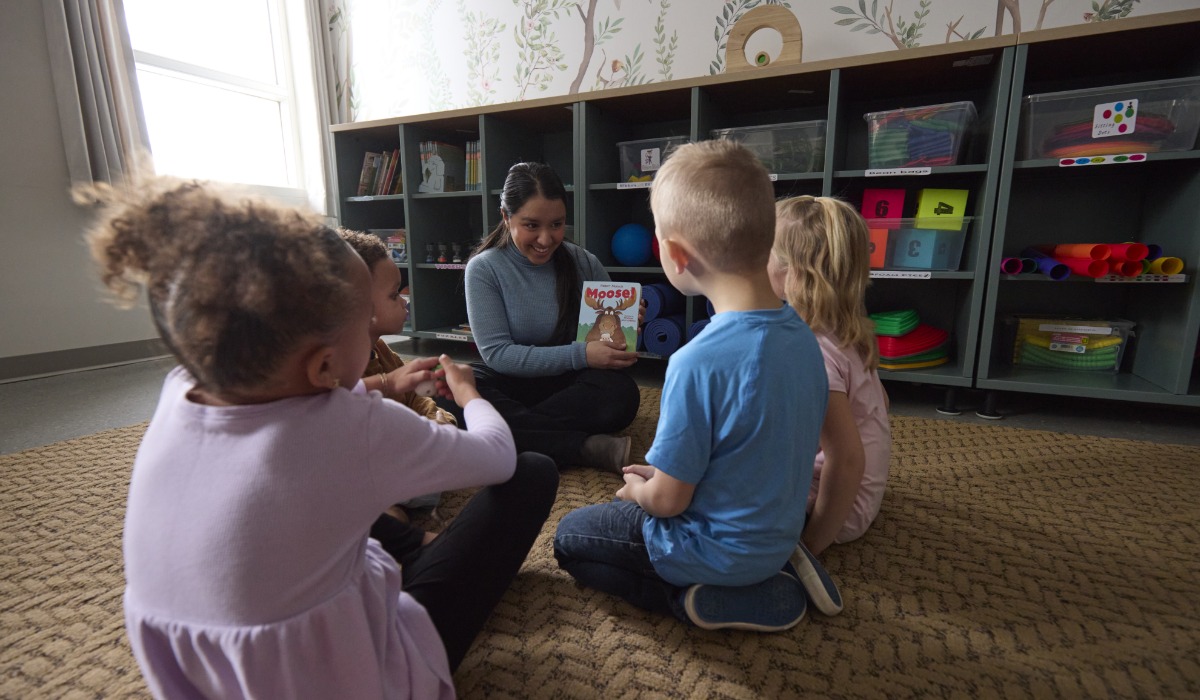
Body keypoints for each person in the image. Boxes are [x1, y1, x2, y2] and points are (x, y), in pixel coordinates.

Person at [91, 174, 558, 698]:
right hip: (341, 675)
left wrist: (380, 383)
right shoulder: (350, 425)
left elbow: (291, 424)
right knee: (533, 471)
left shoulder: (180, 389)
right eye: (366, 324)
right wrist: (469, 394)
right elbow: (497, 457)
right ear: (324, 365)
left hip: (203, 678)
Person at [553, 140, 835, 632]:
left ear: (676, 255)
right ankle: (773, 569)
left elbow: (668, 503)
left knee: (569, 537)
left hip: (704, 548)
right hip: (775, 536)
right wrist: (662, 475)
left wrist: (638, 493)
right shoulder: (805, 338)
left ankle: (692, 597)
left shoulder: (694, 362)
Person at [462, 161, 641, 471]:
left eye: (557, 225)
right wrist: (582, 354)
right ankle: (583, 447)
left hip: (567, 386)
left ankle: (512, 433)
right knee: (457, 386)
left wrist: (626, 325)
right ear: (506, 217)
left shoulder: (583, 262)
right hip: (513, 378)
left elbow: (608, 344)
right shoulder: (484, 269)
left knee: (621, 393)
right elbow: (498, 355)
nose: (546, 239)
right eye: (531, 225)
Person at [770, 195, 892, 556]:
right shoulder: (845, 329)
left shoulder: (812, 350)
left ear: (792, 270)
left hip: (834, 510)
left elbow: (846, 457)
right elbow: (880, 406)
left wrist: (811, 546)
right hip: (859, 495)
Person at [338, 227, 456, 558]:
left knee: (454, 393)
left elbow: (416, 394)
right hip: (369, 469)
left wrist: (436, 417)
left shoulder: (380, 349)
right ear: (357, 305)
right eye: (394, 295)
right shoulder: (340, 366)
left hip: (401, 456)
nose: (404, 302)